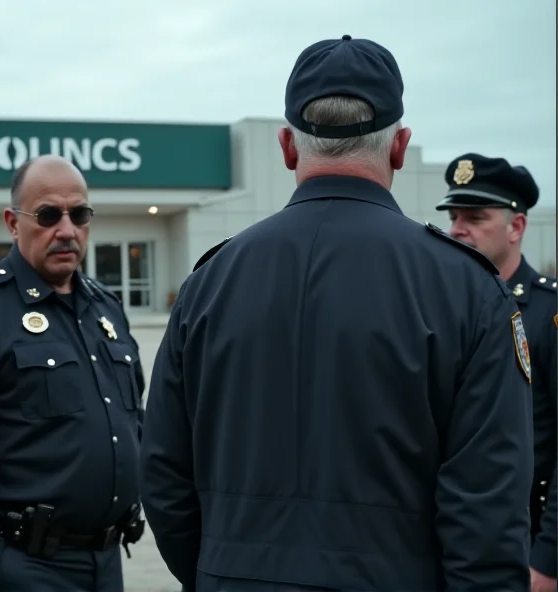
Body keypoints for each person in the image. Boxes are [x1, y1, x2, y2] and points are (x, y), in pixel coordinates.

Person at [138, 34, 534, 592]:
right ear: (400, 146)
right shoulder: (466, 289)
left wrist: (217, 570)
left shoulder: (210, 282)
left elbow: (163, 475)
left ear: (287, 146)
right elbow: (488, 508)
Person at [0, 154, 146, 592]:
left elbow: (134, 421)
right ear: (11, 222)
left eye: (79, 214)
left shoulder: (106, 308)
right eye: (47, 215)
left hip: (105, 562)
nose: (66, 230)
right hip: (19, 567)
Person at [435, 155, 557, 591]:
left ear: (517, 227)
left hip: (528, 543)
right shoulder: (448, 310)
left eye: (475, 217)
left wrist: (548, 560)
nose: (457, 229)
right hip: (456, 543)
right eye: (454, 217)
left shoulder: (548, 313)